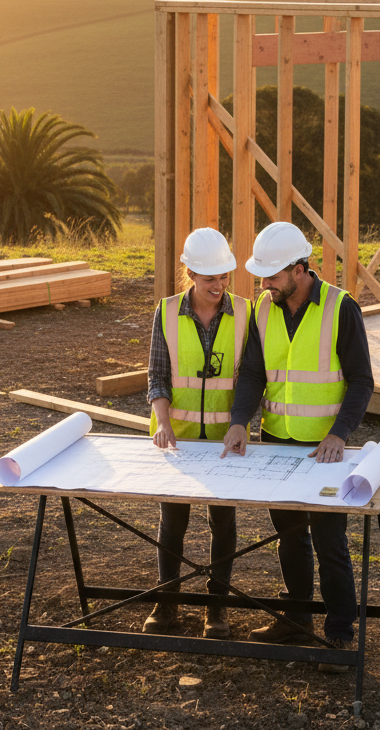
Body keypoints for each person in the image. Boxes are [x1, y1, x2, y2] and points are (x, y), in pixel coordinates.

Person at [220, 221, 374, 668]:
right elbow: (252, 373)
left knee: (330, 541)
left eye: (272, 276)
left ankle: (339, 631)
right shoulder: (265, 309)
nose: (264, 285)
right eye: (262, 277)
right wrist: (239, 422)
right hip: (276, 441)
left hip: (325, 449)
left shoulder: (340, 308)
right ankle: (297, 618)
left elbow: (362, 381)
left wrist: (339, 435)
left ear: (300, 268)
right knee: (288, 536)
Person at [144, 227, 251, 640]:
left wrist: (241, 423)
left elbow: (249, 378)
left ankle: (216, 607)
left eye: (224, 276)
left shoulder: (244, 311)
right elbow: (156, 374)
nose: (219, 286)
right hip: (179, 439)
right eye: (210, 279)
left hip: (226, 440)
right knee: (173, 522)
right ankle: (166, 601)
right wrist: (164, 421)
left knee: (223, 523)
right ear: (189, 273)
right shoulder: (167, 311)